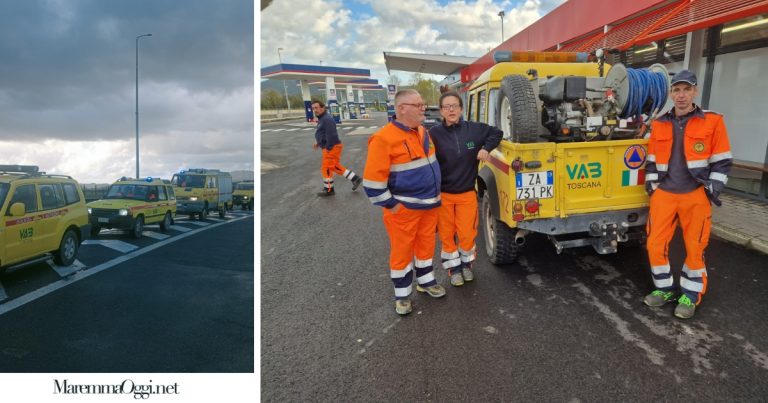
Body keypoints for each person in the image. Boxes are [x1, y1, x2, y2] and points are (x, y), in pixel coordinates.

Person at [643, 70, 732, 319]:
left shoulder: (713, 121)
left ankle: (690, 295)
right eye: (677, 90)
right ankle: (664, 289)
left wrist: (712, 190)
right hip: (664, 195)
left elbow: (722, 161)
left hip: (695, 195)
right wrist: (652, 187)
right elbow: (652, 160)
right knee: (654, 244)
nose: (681, 95)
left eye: (686, 89)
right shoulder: (659, 123)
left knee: (695, 247)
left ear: (695, 91)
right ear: (671, 93)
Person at [362, 89, 446, 315]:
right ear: (401, 109)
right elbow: (372, 184)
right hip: (404, 209)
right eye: (418, 105)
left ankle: (426, 282)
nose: (423, 108)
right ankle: (402, 296)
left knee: (426, 246)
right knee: (402, 252)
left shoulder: (422, 132)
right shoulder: (383, 139)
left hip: (429, 205)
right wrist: (393, 206)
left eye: (422, 104)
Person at [429, 91, 502, 286]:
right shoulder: (434, 134)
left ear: (461, 109)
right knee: (447, 235)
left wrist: (486, 148)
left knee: (467, 234)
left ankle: (467, 265)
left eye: (455, 106)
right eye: (447, 107)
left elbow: (497, 133)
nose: (451, 110)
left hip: (467, 193)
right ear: (441, 111)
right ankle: (454, 270)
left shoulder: (474, 129)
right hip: (444, 195)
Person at [311, 100, 363, 197]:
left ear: (322, 108)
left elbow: (331, 135)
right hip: (329, 146)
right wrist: (318, 142)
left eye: (316, 108)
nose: (315, 110)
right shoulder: (322, 118)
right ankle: (355, 179)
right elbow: (323, 133)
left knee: (326, 167)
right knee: (333, 166)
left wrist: (328, 148)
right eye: (313, 108)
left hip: (331, 147)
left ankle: (329, 189)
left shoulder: (326, 119)